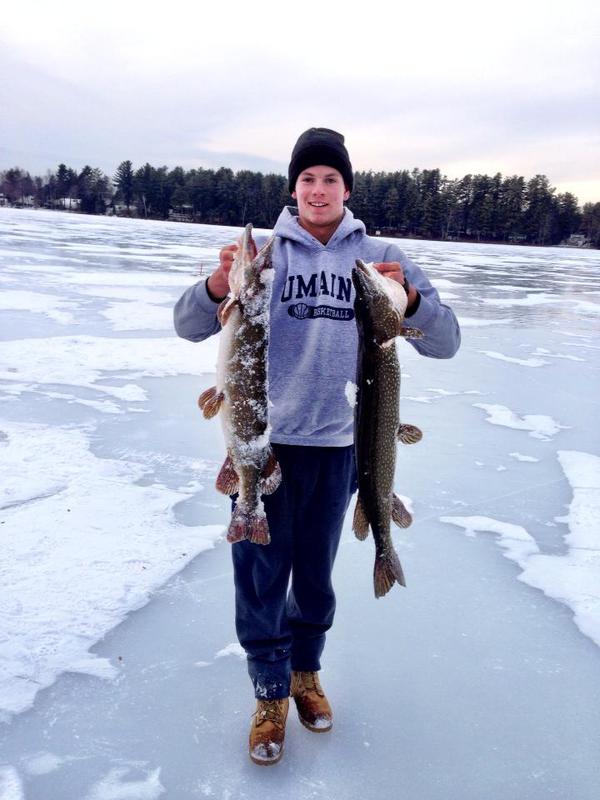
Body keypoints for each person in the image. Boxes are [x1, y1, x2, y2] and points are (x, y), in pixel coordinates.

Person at [173, 127, 461, 765]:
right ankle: (270, 691)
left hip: (341, 447)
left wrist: (410, 298)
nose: (319, 189)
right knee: (259, 575)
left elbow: (445, 341)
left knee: (316, 576)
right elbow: (188, 324)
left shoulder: (382, 257)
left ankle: (306, 672)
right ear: (294, 188)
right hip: (266, 442)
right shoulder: (268, 254)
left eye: (330, 178)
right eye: (308, 178)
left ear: (347, 189)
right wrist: (219, 288)